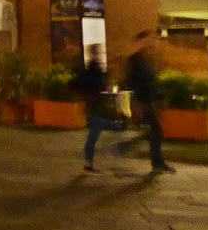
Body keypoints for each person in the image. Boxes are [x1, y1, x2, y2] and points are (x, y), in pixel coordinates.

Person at [123, 30, 175, 174]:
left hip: (149, 98)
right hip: (145, 99)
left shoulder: (146, 59)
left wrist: (160, 96)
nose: (152, 43)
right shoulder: (136, 60)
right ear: (141, 43)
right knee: (156, 130)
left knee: (155, 131)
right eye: (148, 40)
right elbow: (135, 82)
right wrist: (139, 102)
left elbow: (152, 81)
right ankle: (157, 162)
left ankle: (156, 161)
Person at [73, 46, 118, 173]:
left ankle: (89, 161)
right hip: (95, 106)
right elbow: (76, 83)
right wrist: (87, 96)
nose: (99, 55)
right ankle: (89, 161)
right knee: (96, 134)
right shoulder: (90, 71)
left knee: (97, 133)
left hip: (99, 106)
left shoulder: (96, 69)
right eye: (97, 52)